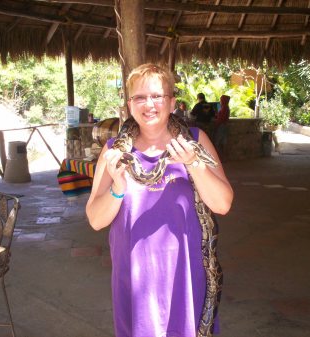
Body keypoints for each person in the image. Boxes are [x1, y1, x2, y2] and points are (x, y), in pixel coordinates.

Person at [86, 63, 234, 337]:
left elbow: (222, 204)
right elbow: (96, 219)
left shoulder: (195, 140)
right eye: (139, 97)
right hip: (135, 275)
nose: (149, 104)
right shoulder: (113, 152)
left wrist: (193, 163)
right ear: (129, 104)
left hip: (185, 273)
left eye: (157, 96)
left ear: (172, 102)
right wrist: (117, 188)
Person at [214, 95, 230, 161]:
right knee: (223, 143)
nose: (220, 101)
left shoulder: (224, 108)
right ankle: (224, 158)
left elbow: (221, 119)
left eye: (221, 100)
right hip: (224, 126)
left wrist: (216, 126)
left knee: (217, 142)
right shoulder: (226, 107)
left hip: (221, 126)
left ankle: (219, 158)